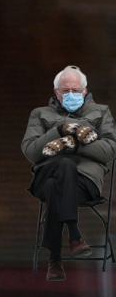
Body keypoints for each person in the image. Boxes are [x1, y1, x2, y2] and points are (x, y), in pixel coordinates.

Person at [22, 64, 116, 281]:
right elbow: (32, 151)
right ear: (56, 92)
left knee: (56, 184)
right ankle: (75, 236)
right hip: (46, 173)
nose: (71, 94)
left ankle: (55, 260)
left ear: (84, 91)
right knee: (63, 166)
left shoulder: (101, 112)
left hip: (84, 184)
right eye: (65, 91)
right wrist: (59, 130)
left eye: (75, 90)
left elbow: (110, 150)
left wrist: (71, 145)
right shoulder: (40, 114)